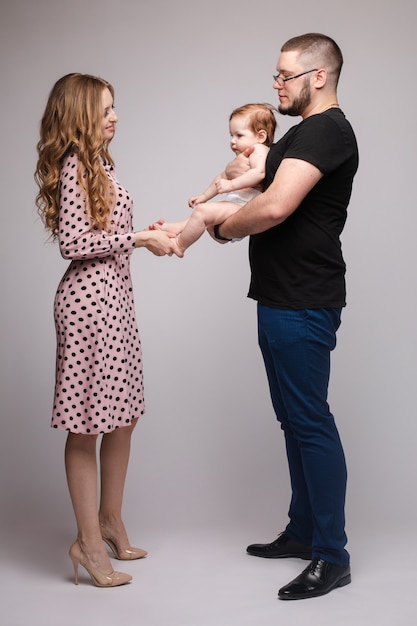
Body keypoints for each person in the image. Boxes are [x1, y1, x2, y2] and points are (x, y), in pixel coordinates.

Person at [212, 34, 359, 600]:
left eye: (285, 75)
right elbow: (252, 180)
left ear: (318, 76)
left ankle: (332, 555)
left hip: (303, 300)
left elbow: (275, 206)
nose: (276, 85)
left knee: (310, 421)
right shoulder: (302, 133)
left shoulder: (328, 130)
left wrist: (220, 226)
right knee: (293, 421)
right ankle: (303, 531)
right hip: (278, 296)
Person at [35, 73, 181, 587]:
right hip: (88, 304)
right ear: (79, 116)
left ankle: (110, 520)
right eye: (105, 110)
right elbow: (74, 244)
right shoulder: (75, 163)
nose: (115, 116)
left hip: (114, 300)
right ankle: (89, 546)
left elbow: (105, 233)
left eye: (115, 107)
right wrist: (140, 239)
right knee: (87, 425)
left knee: (123, 416)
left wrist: (148, 233)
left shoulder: (99, 164)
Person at [151, 103, 276, 252]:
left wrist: (231, 185)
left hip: (246, 208)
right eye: (231, 135)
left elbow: (258, 173)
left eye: (239, 135)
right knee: (201, 213)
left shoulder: (259, 150)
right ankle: (176, 228)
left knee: (203, 212)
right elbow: (223, 176)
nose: (233, 141)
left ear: (261, 136)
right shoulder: (247, 154)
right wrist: (204, 196)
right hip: (238, 203)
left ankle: (179, 244)